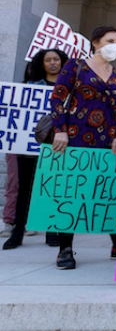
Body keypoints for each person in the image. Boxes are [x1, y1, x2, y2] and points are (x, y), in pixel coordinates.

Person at [48, 27, 116, 269]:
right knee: (72, 192)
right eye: (109, 40)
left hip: (110, 142)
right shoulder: (75, 66)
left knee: (109, 192)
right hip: (75, 137)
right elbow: (57, 98)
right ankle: (65, 248)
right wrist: (60, 129)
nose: (114, 45)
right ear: (96, 42)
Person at [3, 48, 70, 250]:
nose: (52, 63)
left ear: (62, 62)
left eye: (56, 60)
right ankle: (17, 232)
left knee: (54, 188)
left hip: (58, 146)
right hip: (28, 146)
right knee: (24, 189)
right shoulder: (28, 88)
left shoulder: (70, 90)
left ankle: (51, 232)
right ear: (41, 63)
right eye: (48, 60)